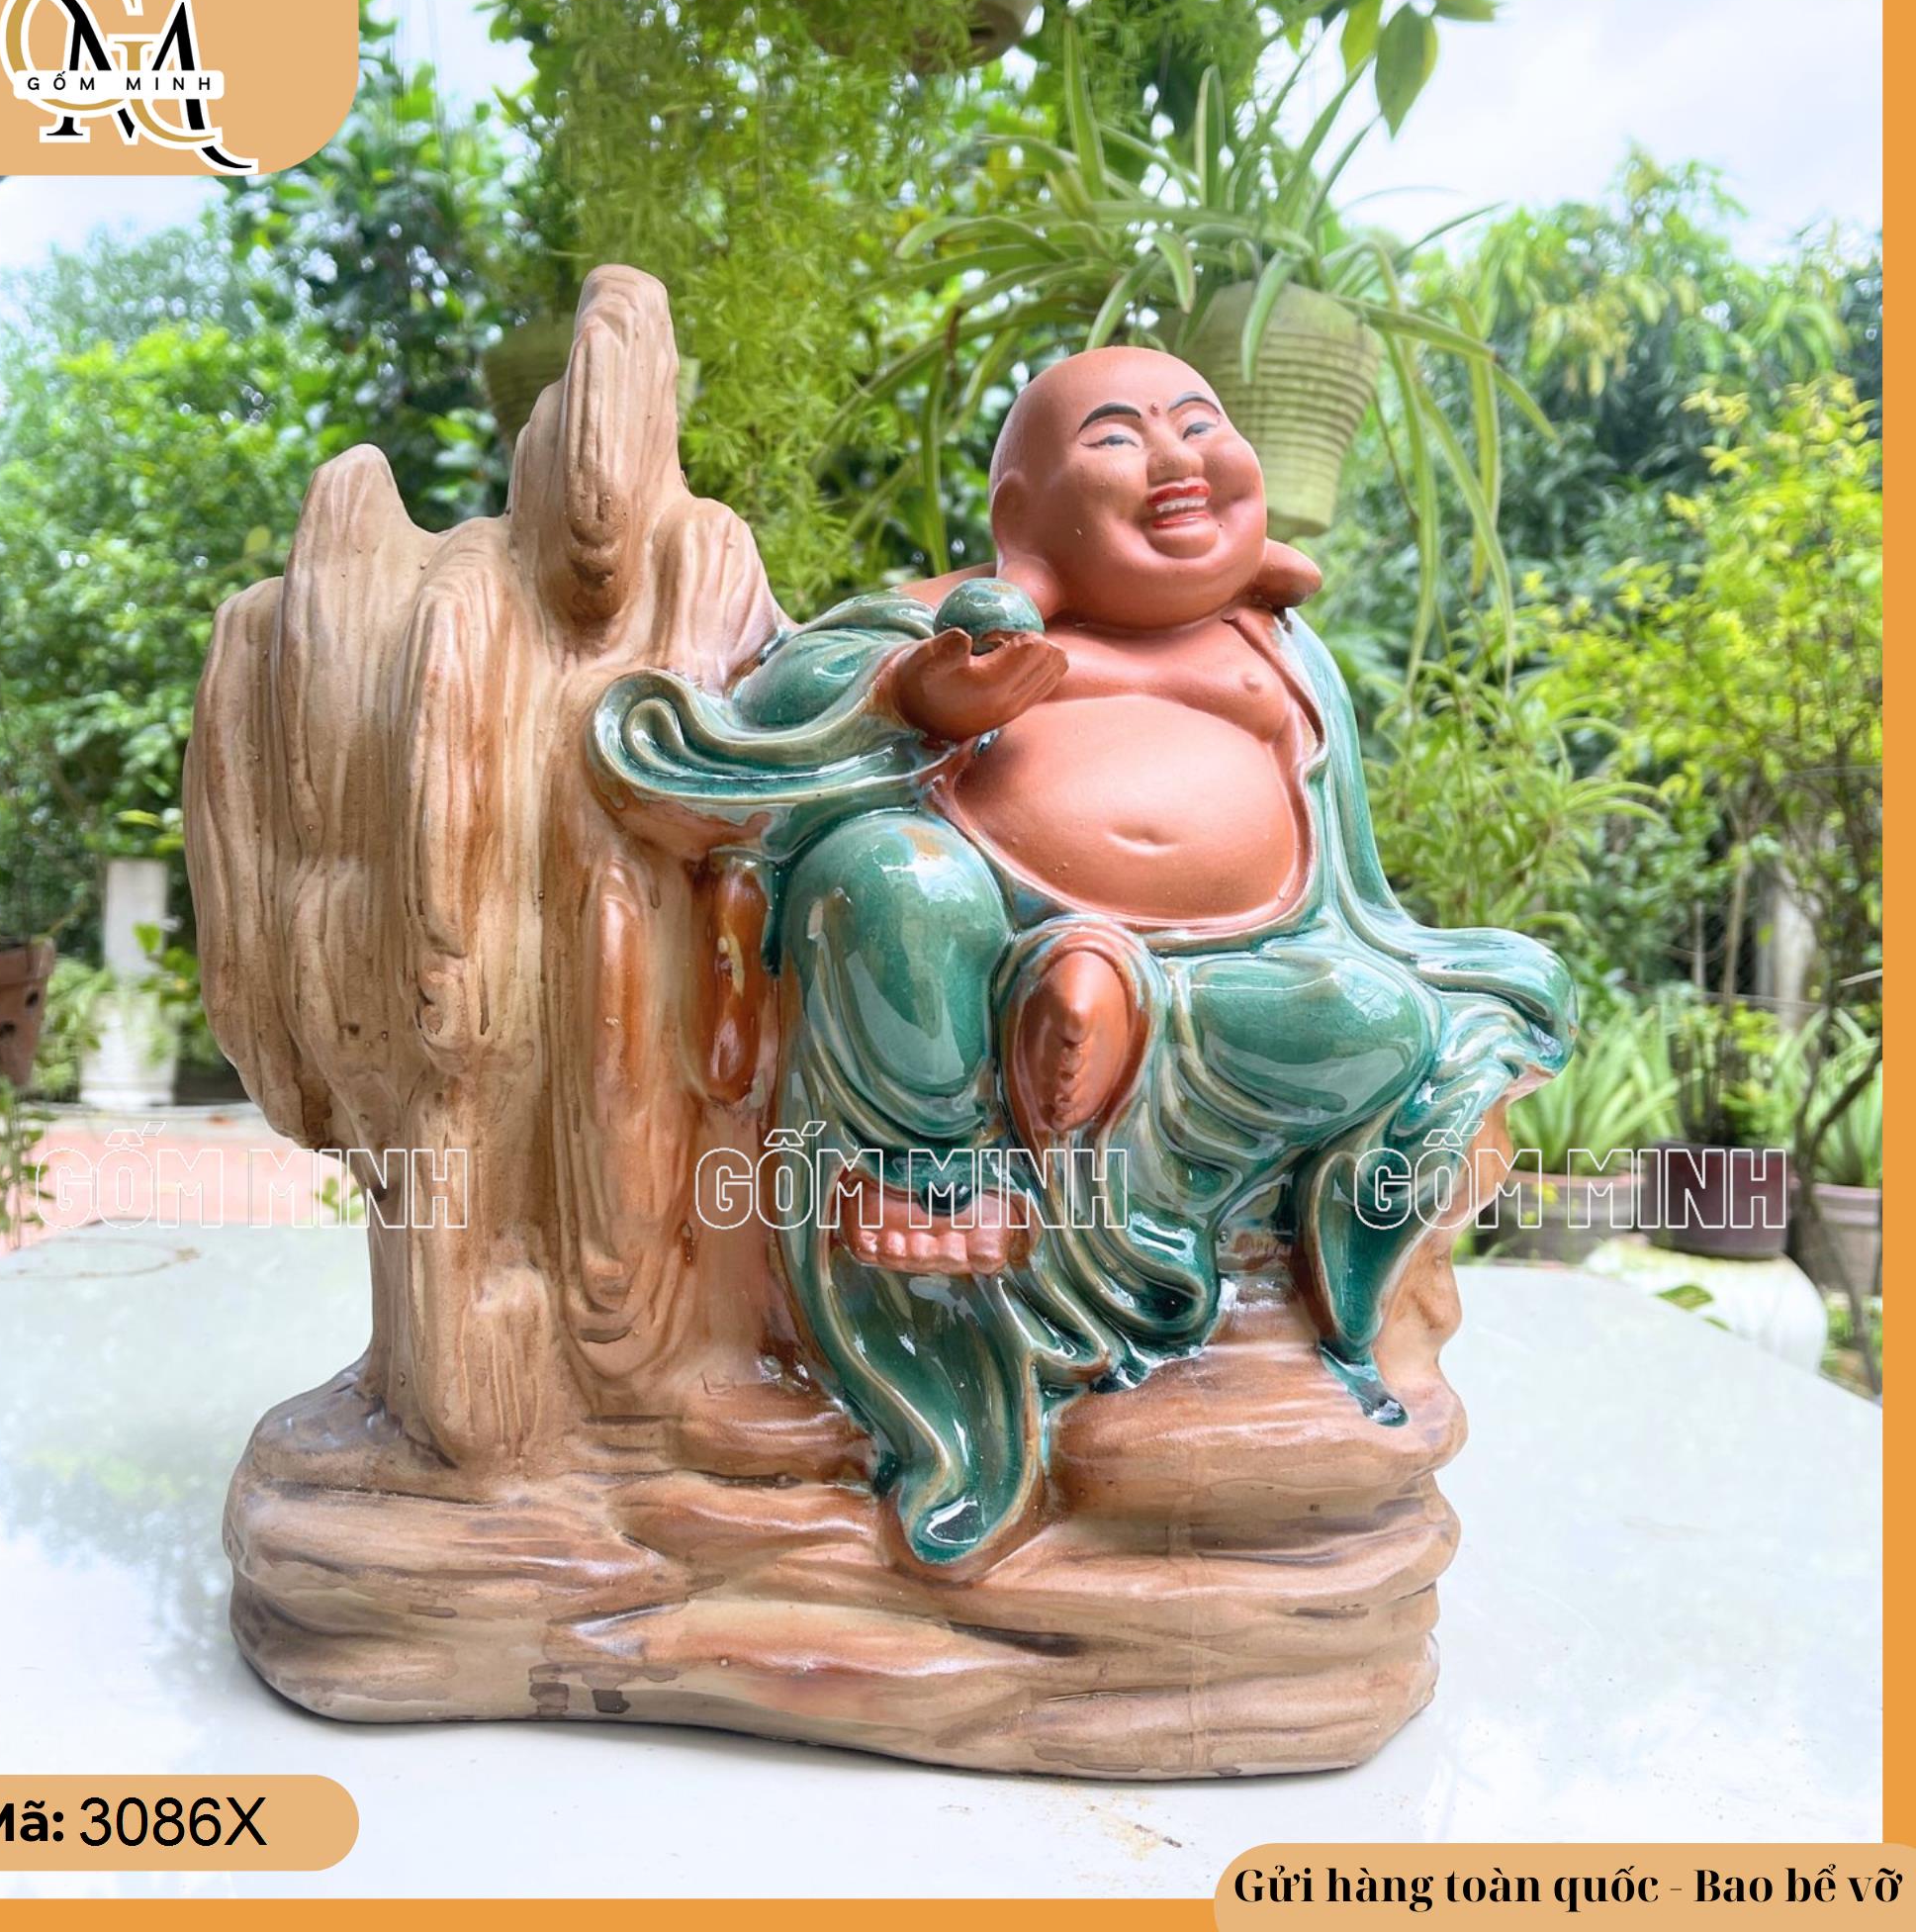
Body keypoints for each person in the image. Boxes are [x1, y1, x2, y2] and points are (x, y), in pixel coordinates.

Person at [593, 346, 1575, 1564]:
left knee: (1375, 1018)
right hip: (972, 973)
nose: (1173, 457)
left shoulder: (1275, 650)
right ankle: (932, 1175)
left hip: (1220, 987)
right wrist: (911, 698)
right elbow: (772, 706)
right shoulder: (946, 618)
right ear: (1021, 513)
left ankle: (1117, 1013)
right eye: (1115, 437)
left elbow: (1349, 892)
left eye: (1198, 424)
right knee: (890, 881)